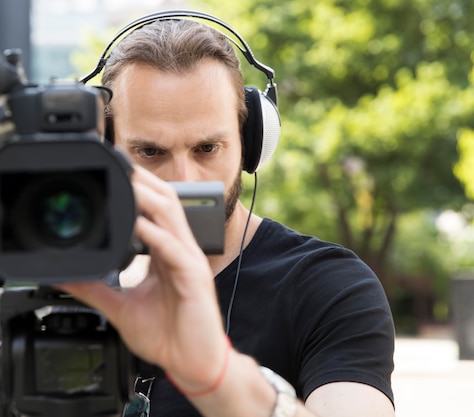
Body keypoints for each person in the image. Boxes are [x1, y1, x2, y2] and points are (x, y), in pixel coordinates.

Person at [58, 13, 395, 417]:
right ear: (105, 150)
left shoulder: (329, 288)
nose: (182, 181)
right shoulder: (66, 287)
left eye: (206, 149)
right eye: (150, 152)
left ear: (250, 146)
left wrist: (216, 373)